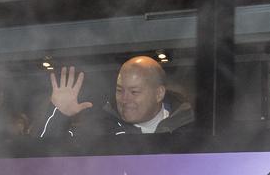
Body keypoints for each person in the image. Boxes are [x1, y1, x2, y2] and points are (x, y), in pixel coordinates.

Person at [38, 55, 193, 137]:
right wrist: (59, 114)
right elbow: (44, 157)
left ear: (159, 94)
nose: (124, 99)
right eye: (120, 90)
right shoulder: (101, 129)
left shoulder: (190, 128)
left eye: (134, 92)